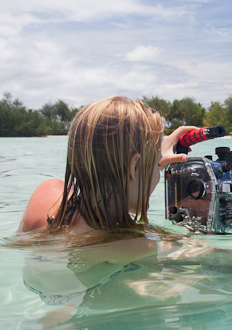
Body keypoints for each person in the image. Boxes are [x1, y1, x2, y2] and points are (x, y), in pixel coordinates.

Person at [18, 96, 194, 234]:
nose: (159, 169)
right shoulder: (133, 245)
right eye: (157, 165)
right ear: (134, 166)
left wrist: (151, 163)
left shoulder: (46, 194)